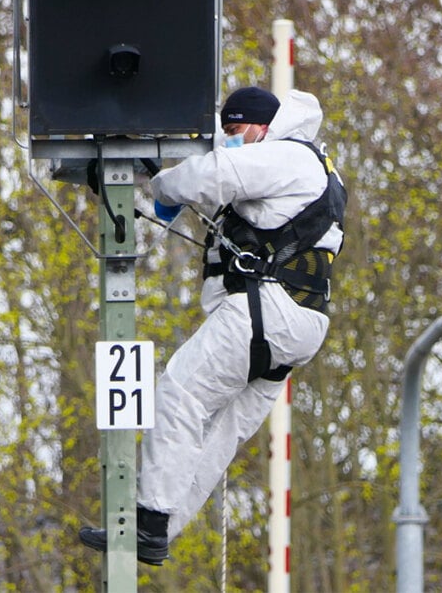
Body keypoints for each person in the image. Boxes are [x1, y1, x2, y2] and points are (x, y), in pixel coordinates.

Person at [79, 87, 346, 565]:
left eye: (235, 130)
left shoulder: (289, 156)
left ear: (263, 125)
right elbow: (211, 193)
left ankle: (150, 518)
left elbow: (215, 175)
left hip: (267, 310)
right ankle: (160, 528)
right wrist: (158, 184)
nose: (229, 141)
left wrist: (159, 183)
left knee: (181, 393)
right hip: (297, 322)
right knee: (219, 432)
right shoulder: (311, 170)